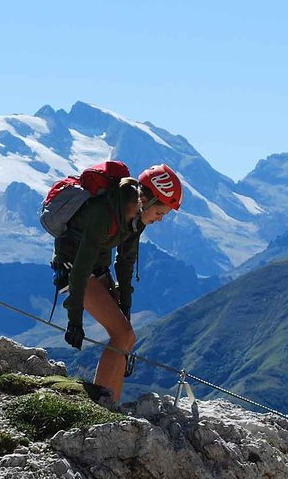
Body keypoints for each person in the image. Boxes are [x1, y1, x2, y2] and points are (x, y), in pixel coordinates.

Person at [52, 164, 182, 403]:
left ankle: (111, 403)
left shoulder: (136, 219)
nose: (160, 220)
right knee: (122, 336)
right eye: (160, 212)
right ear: (145, 199)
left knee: (126, 336)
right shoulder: (104, 212)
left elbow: (125, 262)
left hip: (95, 270)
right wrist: (74, 321)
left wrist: (126, 308)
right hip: (73, 269)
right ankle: (103, 406)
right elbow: (81, 266)